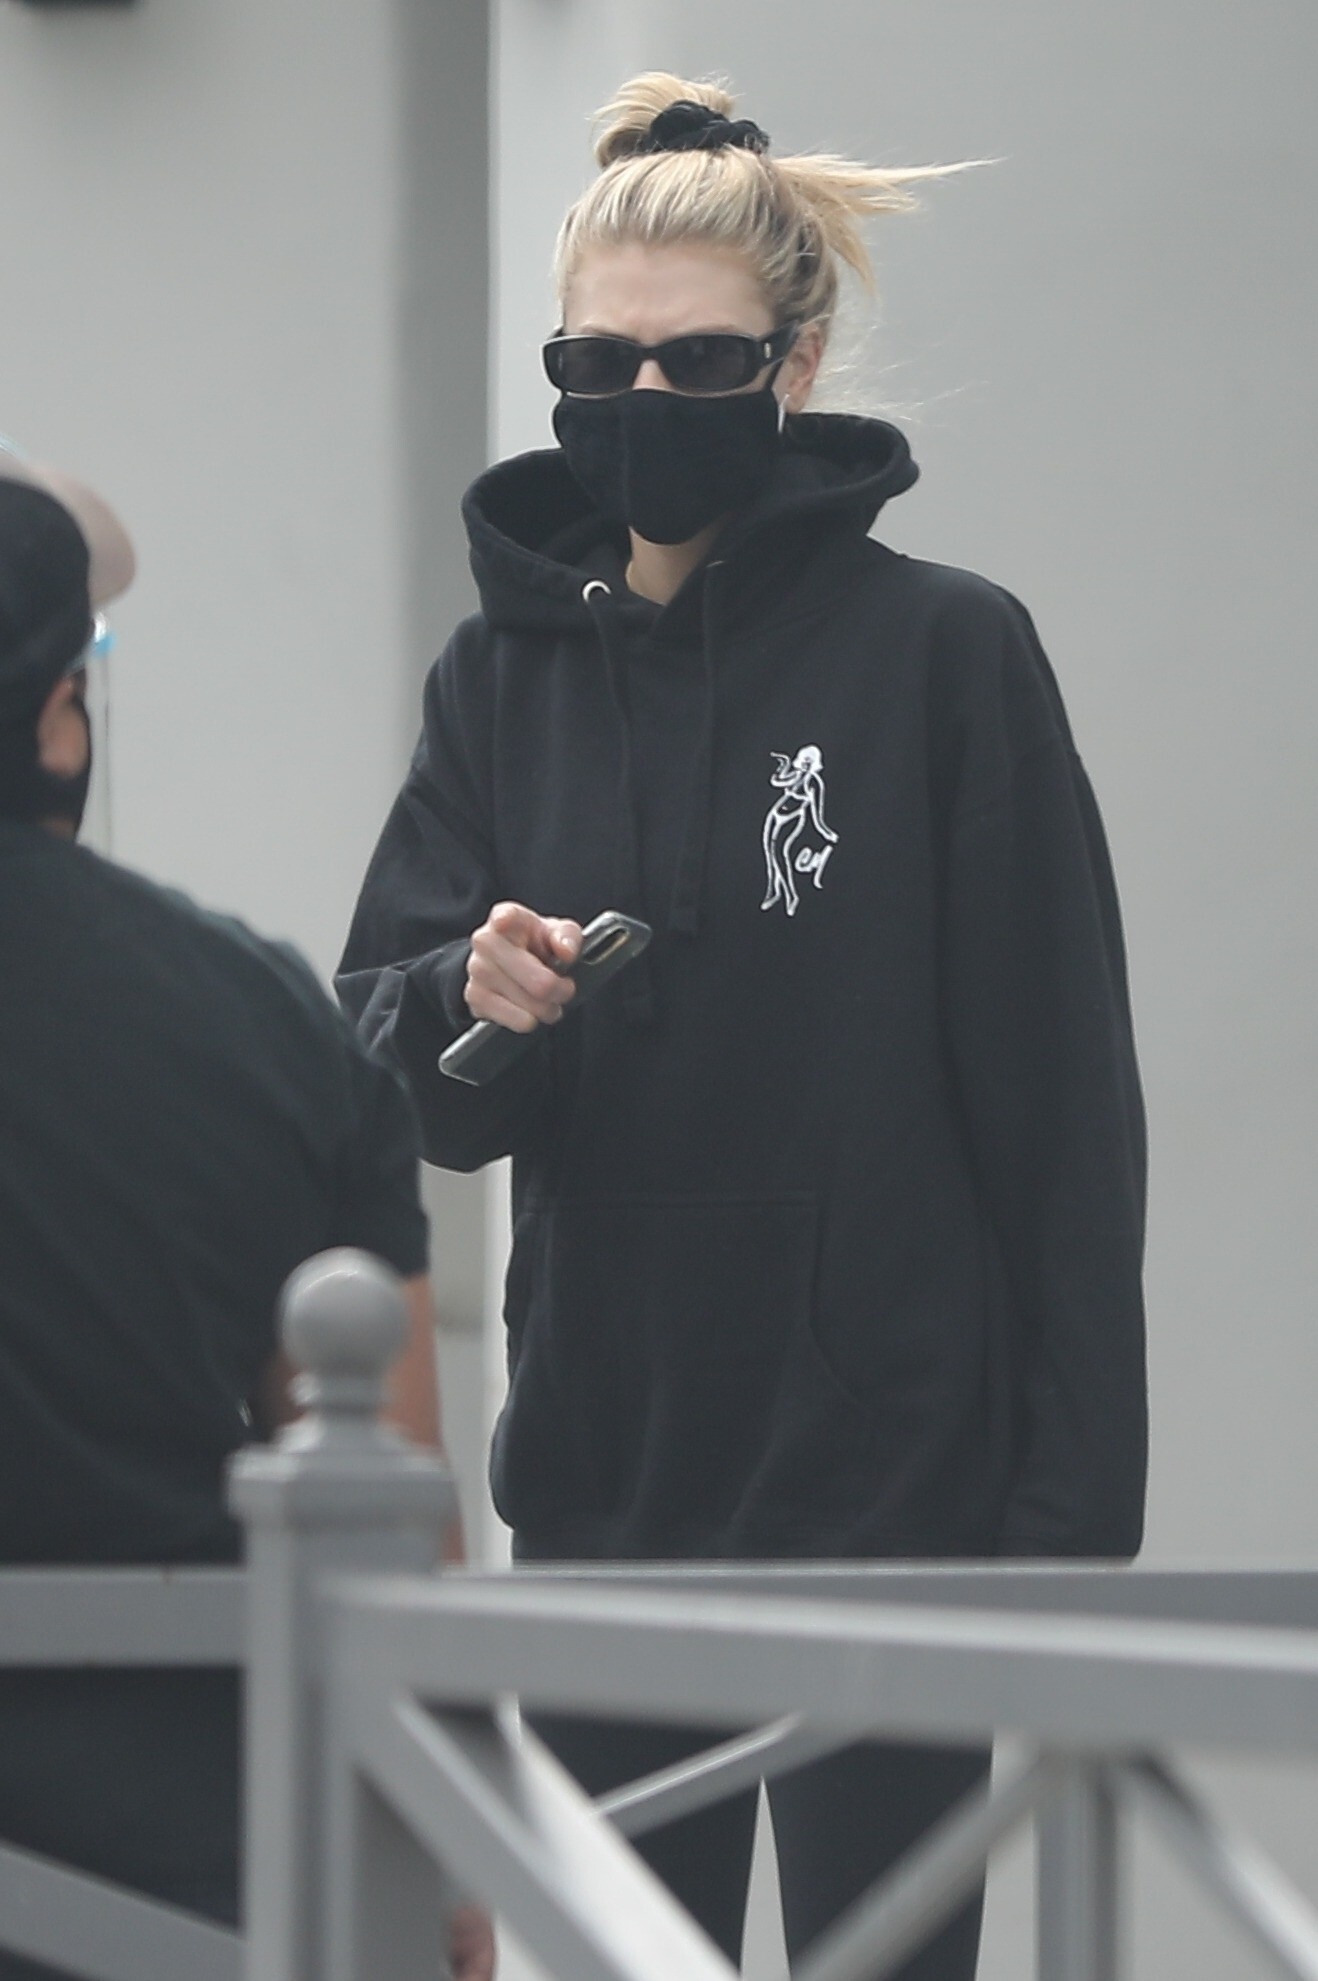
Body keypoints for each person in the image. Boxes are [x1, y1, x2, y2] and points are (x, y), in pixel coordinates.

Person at [337, 70, 1147, 1980]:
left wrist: (1061, 1527)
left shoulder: (944, 651)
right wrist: (472, 990)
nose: (640, 401)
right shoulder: (497, 678)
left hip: (895, 1517)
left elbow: (1057, 1104)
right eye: (594, 363)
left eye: (694, 364)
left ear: (792, 367)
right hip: (605, 1497)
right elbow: (395, 1075)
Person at [0, 450, 493, 1981]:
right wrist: (448, 1840)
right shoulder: (260, 1018)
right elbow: (388, 1511)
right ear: (60, 716)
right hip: (185, 1872)